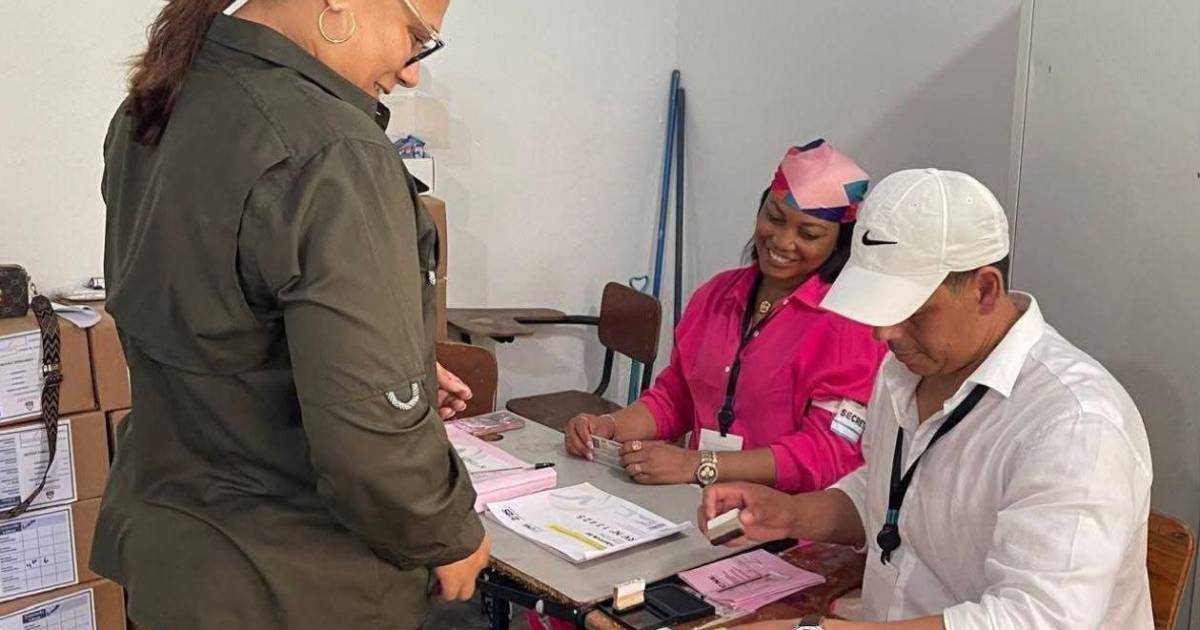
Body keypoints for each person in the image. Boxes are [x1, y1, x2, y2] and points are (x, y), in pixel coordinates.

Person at [90, 1, 491, 628]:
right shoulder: (331, 149)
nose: (412, 71)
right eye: (416, 36)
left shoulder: (157, 103)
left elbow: (210, 329)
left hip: (172, 556)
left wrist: (394, 365)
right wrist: (450, 532)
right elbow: (369, 450)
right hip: (293, 579)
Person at [699, 169, 1154, 629]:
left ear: (984, 290)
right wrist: (790, 513)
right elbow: (890, 494)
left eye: (909, 311)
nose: (883, 332)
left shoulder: (1075, 425)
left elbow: (1036, 620)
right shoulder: (906, 370)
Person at [564, 140, 887, 492]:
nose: (782, 241)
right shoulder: (717, 295)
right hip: (700, 501)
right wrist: (609, 427)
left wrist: (700, 465)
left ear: (839, 242)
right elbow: (677, 397)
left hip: (784, 515)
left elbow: (825, 454)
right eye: (774, 217)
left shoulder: (851, 326)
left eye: (808, 234)